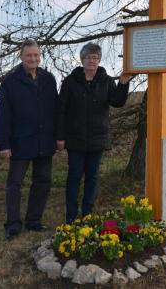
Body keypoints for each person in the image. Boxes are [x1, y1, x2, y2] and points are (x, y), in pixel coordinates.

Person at [56, 43, 132, 223]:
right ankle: (71, 216)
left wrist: (123, 83)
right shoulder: (70, 81)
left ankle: (87, 214)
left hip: (98, 139)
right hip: (75, 139)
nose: (92, 60)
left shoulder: (106, 81)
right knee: (74, 176)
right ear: (82, 60)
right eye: (88, 57)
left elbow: (117, 102)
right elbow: (60, 111)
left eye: (95, 57)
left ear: (99, 60)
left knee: (92, 177)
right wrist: (60, 136)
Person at [0, 39, 58, 240]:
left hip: (44, 141)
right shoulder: (10, 82)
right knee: (14, 184)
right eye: (29, 55)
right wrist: (3, 143)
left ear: (40, 56)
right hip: (20, 141)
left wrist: (58, 136)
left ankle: (33, 221)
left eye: (36, 55)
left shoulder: (49, 79)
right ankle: (13, 225)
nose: (33, 58)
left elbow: (55, 111)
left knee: (42, 182)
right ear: (21, 57)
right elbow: (3, 115)